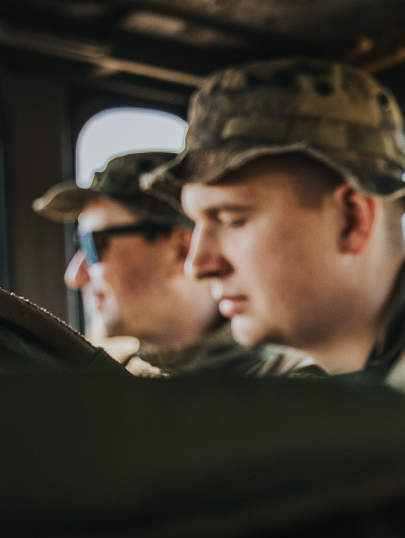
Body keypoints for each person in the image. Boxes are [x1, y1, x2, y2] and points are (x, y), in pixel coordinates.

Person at [153, 58, 405, 410]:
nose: (198, 265)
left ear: (352, 220)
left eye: (231, 219)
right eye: (197, 223)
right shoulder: (281, 368)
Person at [33, 149, 303, 375]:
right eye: (78, 246)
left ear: (180, 249)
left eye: (94, 245)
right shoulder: (111, 377)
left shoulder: (285, 386)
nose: (74, 275)